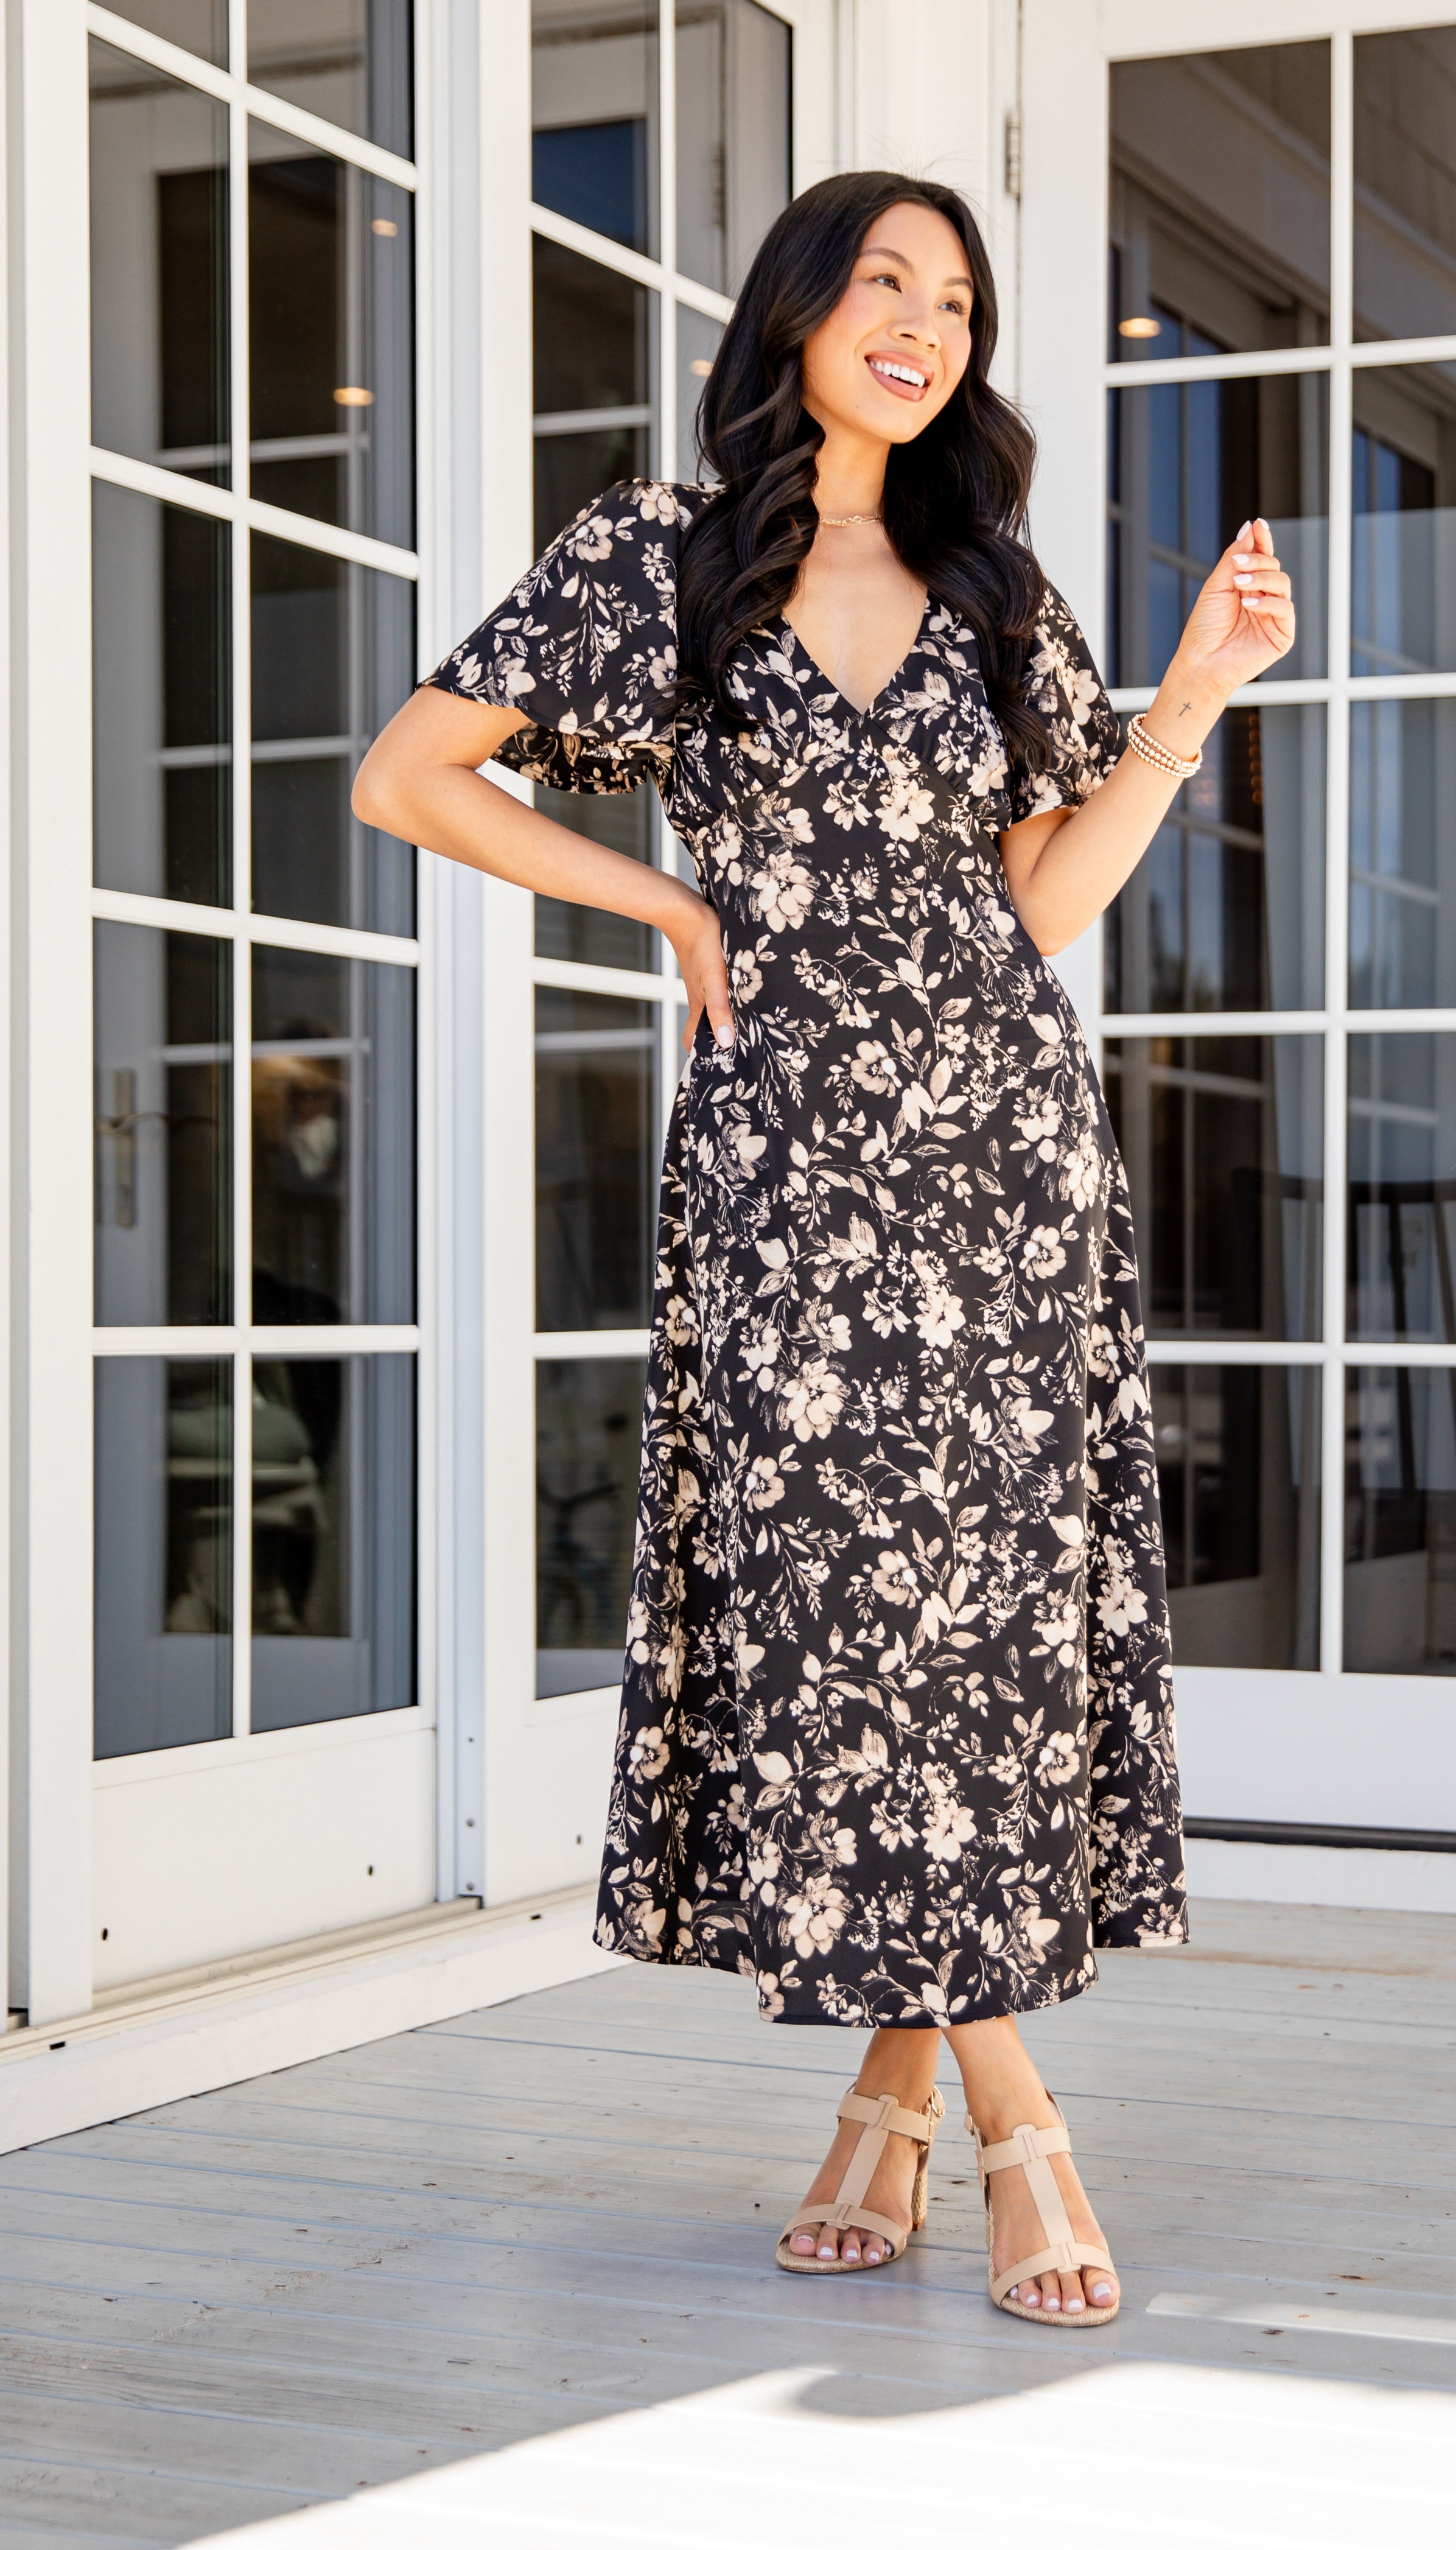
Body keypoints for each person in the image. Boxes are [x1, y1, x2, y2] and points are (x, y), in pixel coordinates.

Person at [353, 170, 1295, 2329]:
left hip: (1000, 1149)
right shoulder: (653, 558)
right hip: (784, 1159)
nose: (921, 322)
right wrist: (671, 908)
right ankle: (1017, 2125)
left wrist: (1192, 692)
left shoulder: (989, 583)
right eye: (882, 281)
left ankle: (896, 2103)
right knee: (855, 1610)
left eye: (953, 298)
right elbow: (410, 780)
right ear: (791, 311)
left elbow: (1045, 906)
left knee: (962, 1622)